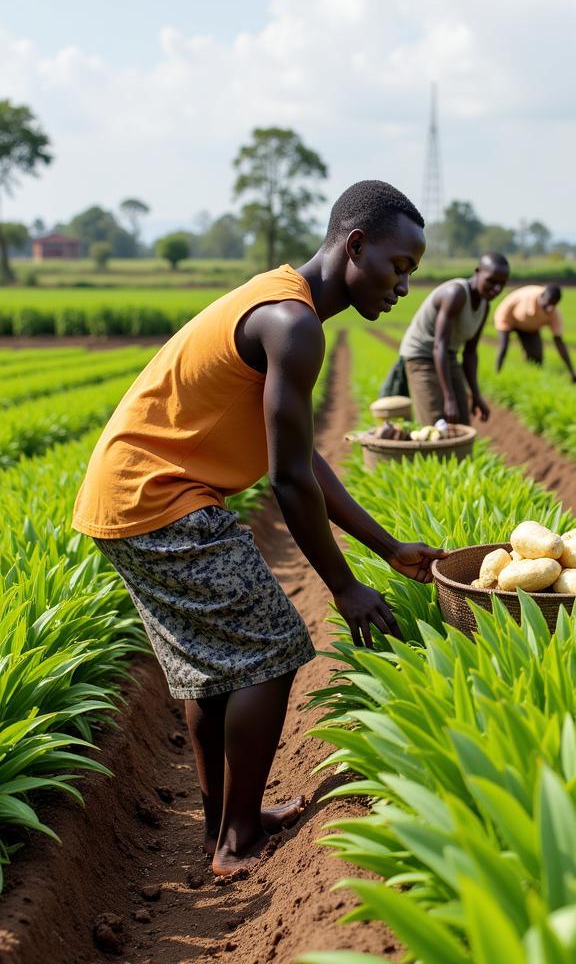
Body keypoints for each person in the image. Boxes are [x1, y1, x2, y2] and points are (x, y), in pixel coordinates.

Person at [73, 180, 447, 876]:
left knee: (217, 673)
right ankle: (237, 837)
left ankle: (225, 826)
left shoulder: (285, 304)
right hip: (159, 497)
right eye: (399, 267)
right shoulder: (293, 322)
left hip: (131, 495)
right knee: (271, 650)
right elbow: (289, 481)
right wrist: (344, 588)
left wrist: (387, 549)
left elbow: (301, 455)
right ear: (354, 244)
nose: (403, 286)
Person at [398, 253, 509, 424]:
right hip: (420, 355)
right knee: (436, 421)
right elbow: (439, 346)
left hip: (447, 355)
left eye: (501, 285)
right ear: (478, 272)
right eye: (491, 281)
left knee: (462, 419)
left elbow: (470, 353)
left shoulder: (484, 306)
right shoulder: (455, 294)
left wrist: (476, 395)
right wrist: (449, 399)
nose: (496, 289)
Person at [493, 283, 576, 383]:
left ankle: (529, 379)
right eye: (548, 303)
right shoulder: (528, 298)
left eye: (554, 304)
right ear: (542, 297)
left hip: (529, 326)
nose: (550, 308)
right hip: (507, 317)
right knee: (503, 346)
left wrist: (572, 372)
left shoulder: (554, 313)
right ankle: (497, 372)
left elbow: (559, 342)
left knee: (537, 358)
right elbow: (510, 313)